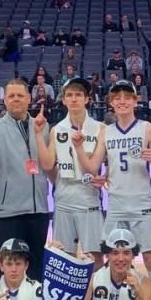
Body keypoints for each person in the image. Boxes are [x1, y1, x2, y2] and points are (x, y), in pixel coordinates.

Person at [74, 80, 151, 286]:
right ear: (111, 103)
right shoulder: (106, 131)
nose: (122, 101)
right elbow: (92, 166)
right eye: (117, 97)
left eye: (127, 97)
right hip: (116, 202)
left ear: (136, 101)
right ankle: (121, 297)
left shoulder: (149, 129)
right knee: (115, 255)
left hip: (142, 201)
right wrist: (79, 147)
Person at [0, 79, 50, 280]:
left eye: (20, 95)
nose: (16, 99)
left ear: (29, 98)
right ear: (4, 100)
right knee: (8, 271)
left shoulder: (41, 125)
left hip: (38, 210)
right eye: (11, 96)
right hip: (8, 213)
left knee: (36, 269)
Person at [36, 77, 106, 264]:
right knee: (65, 255)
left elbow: (98, 167)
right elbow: (47, 164)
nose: (74, 99)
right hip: (64, 198)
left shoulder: (100, 129)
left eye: (78, 95)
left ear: (87, 99)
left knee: (95, 255)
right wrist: (37, 134)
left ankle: (95, 293)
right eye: (69, 95)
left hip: (88, 197)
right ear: (64, 100)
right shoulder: (56, 129)